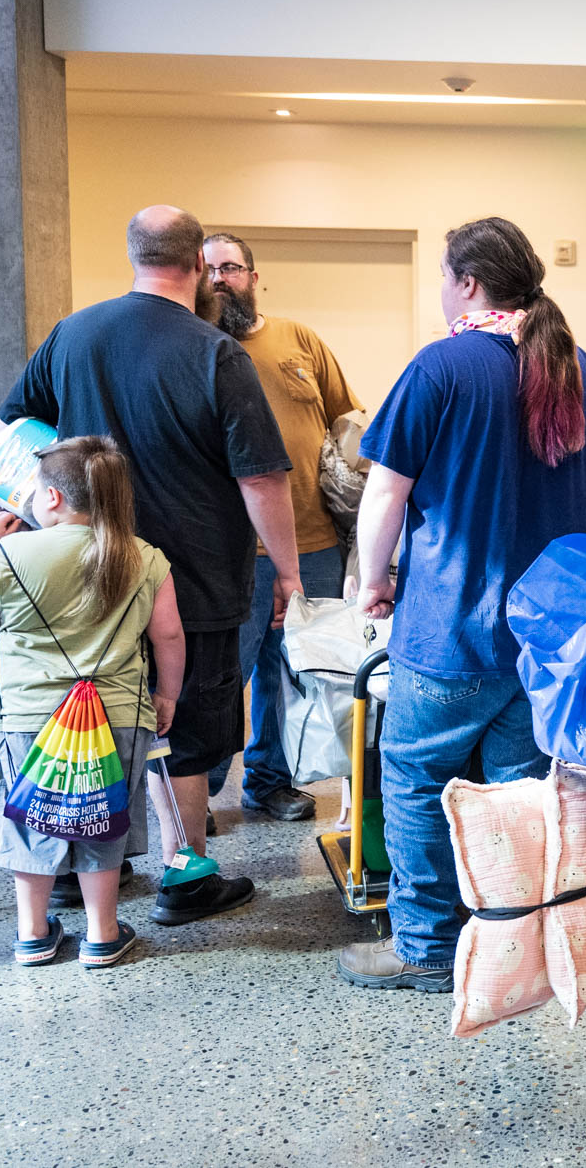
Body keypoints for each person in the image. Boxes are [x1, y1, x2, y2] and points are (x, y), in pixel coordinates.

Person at [339, 216, 586, 991]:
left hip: (449, 633)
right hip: (543, 640)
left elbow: (385, 492)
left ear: (468, 282)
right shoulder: (581, 372)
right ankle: (509, 943)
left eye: (443, 276)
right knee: (514, 797)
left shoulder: (441, 368)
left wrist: (373, 581)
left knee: (414, 777)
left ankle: (427, 946)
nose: (441, 291)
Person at [0, 205, 298, 926]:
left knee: (86, 714)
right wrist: (287, 571)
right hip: (194, 578)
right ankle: (183, 873)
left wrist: (45, 509)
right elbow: (261, 478)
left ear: (132, 256)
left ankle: (74, 863)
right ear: (199, 265)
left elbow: (16, 426)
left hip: (86, 576)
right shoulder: (215, 352)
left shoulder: (74, 334)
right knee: (185, 727)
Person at [0, 437, 184, 968]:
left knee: (29, 817)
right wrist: (167, 693)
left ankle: (33, 934)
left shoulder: (11, 551)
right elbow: (167, 636)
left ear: (51, 497)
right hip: (118, 713)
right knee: (101, 817)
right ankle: (102, 933)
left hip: (26, 716)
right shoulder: (145, 558)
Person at [199, 231, 363, 823]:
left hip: (311, 538)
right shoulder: (194, 347)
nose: (220, 278)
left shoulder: (299, 339)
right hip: (229, 547)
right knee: (222, 671)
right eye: (209, 268)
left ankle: (268, 781)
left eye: (232, 268)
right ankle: (197, 793)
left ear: (254, 276)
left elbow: (347, 423)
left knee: (289, 669)